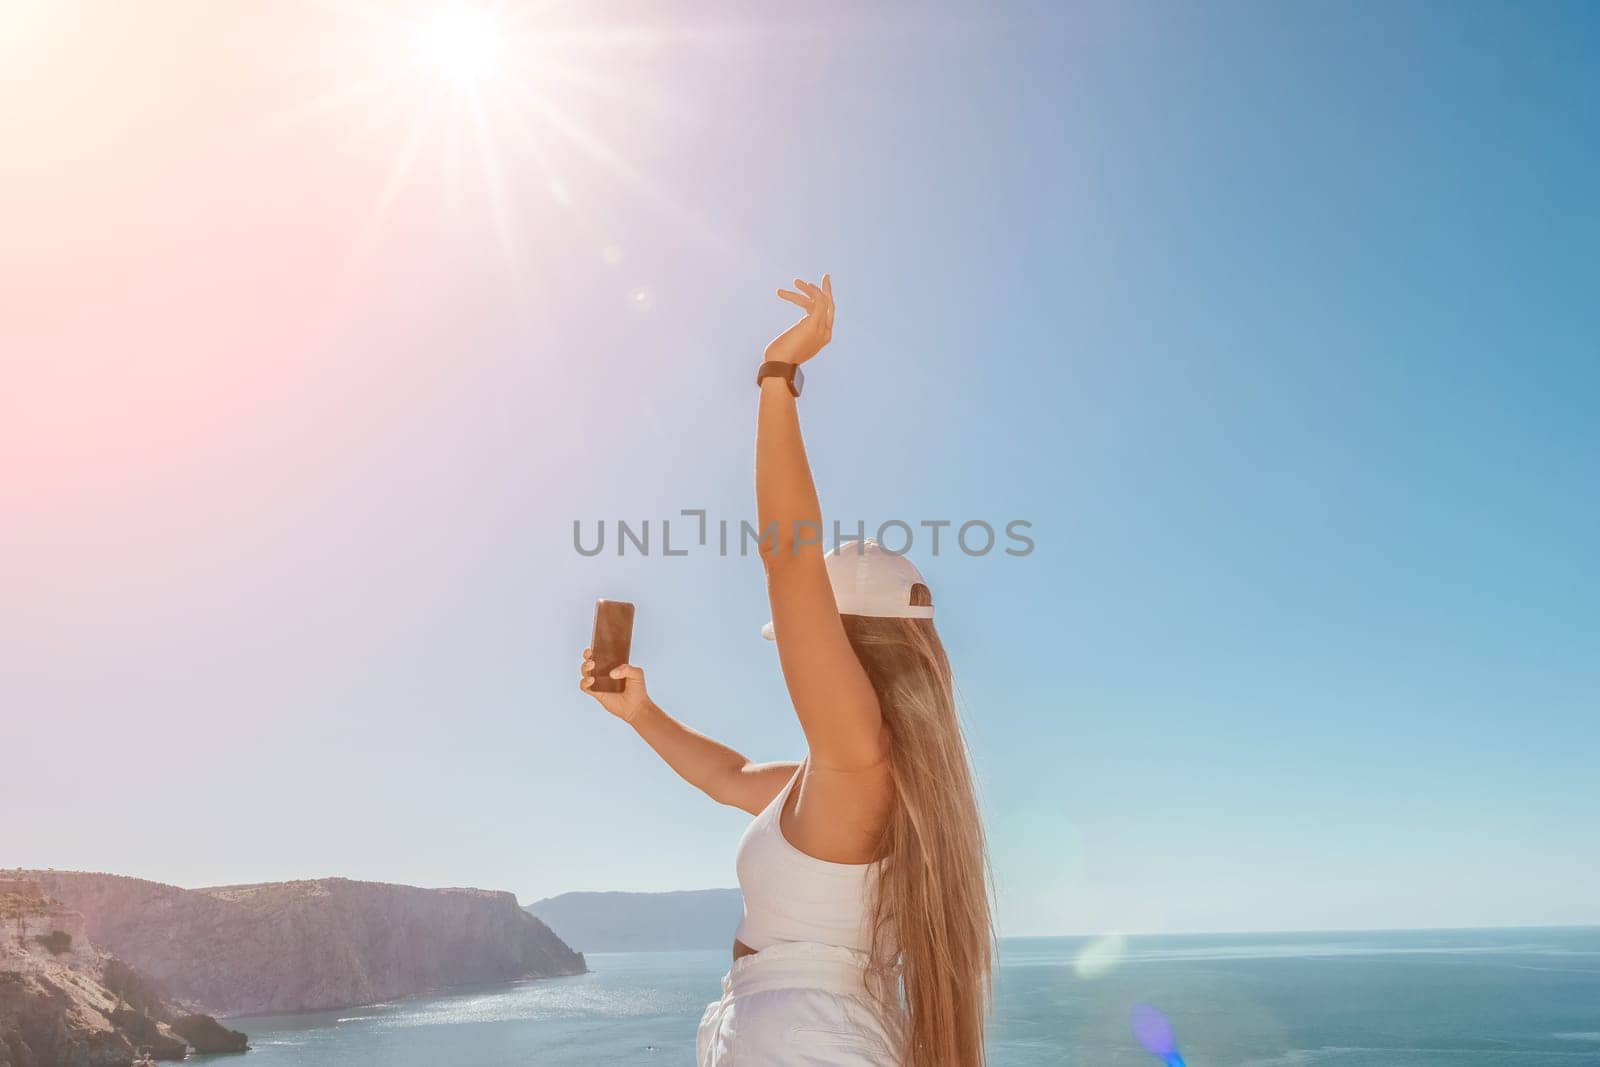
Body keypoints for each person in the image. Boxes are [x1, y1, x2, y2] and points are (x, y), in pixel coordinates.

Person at [580, 275, 992, 1065]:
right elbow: (729, 775)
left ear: (850, 642)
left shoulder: (858, 759)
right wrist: (640, 712)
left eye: (808, 634)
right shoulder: (858, 778)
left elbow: (789, 555)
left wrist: (777, 376)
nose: (794, 650)